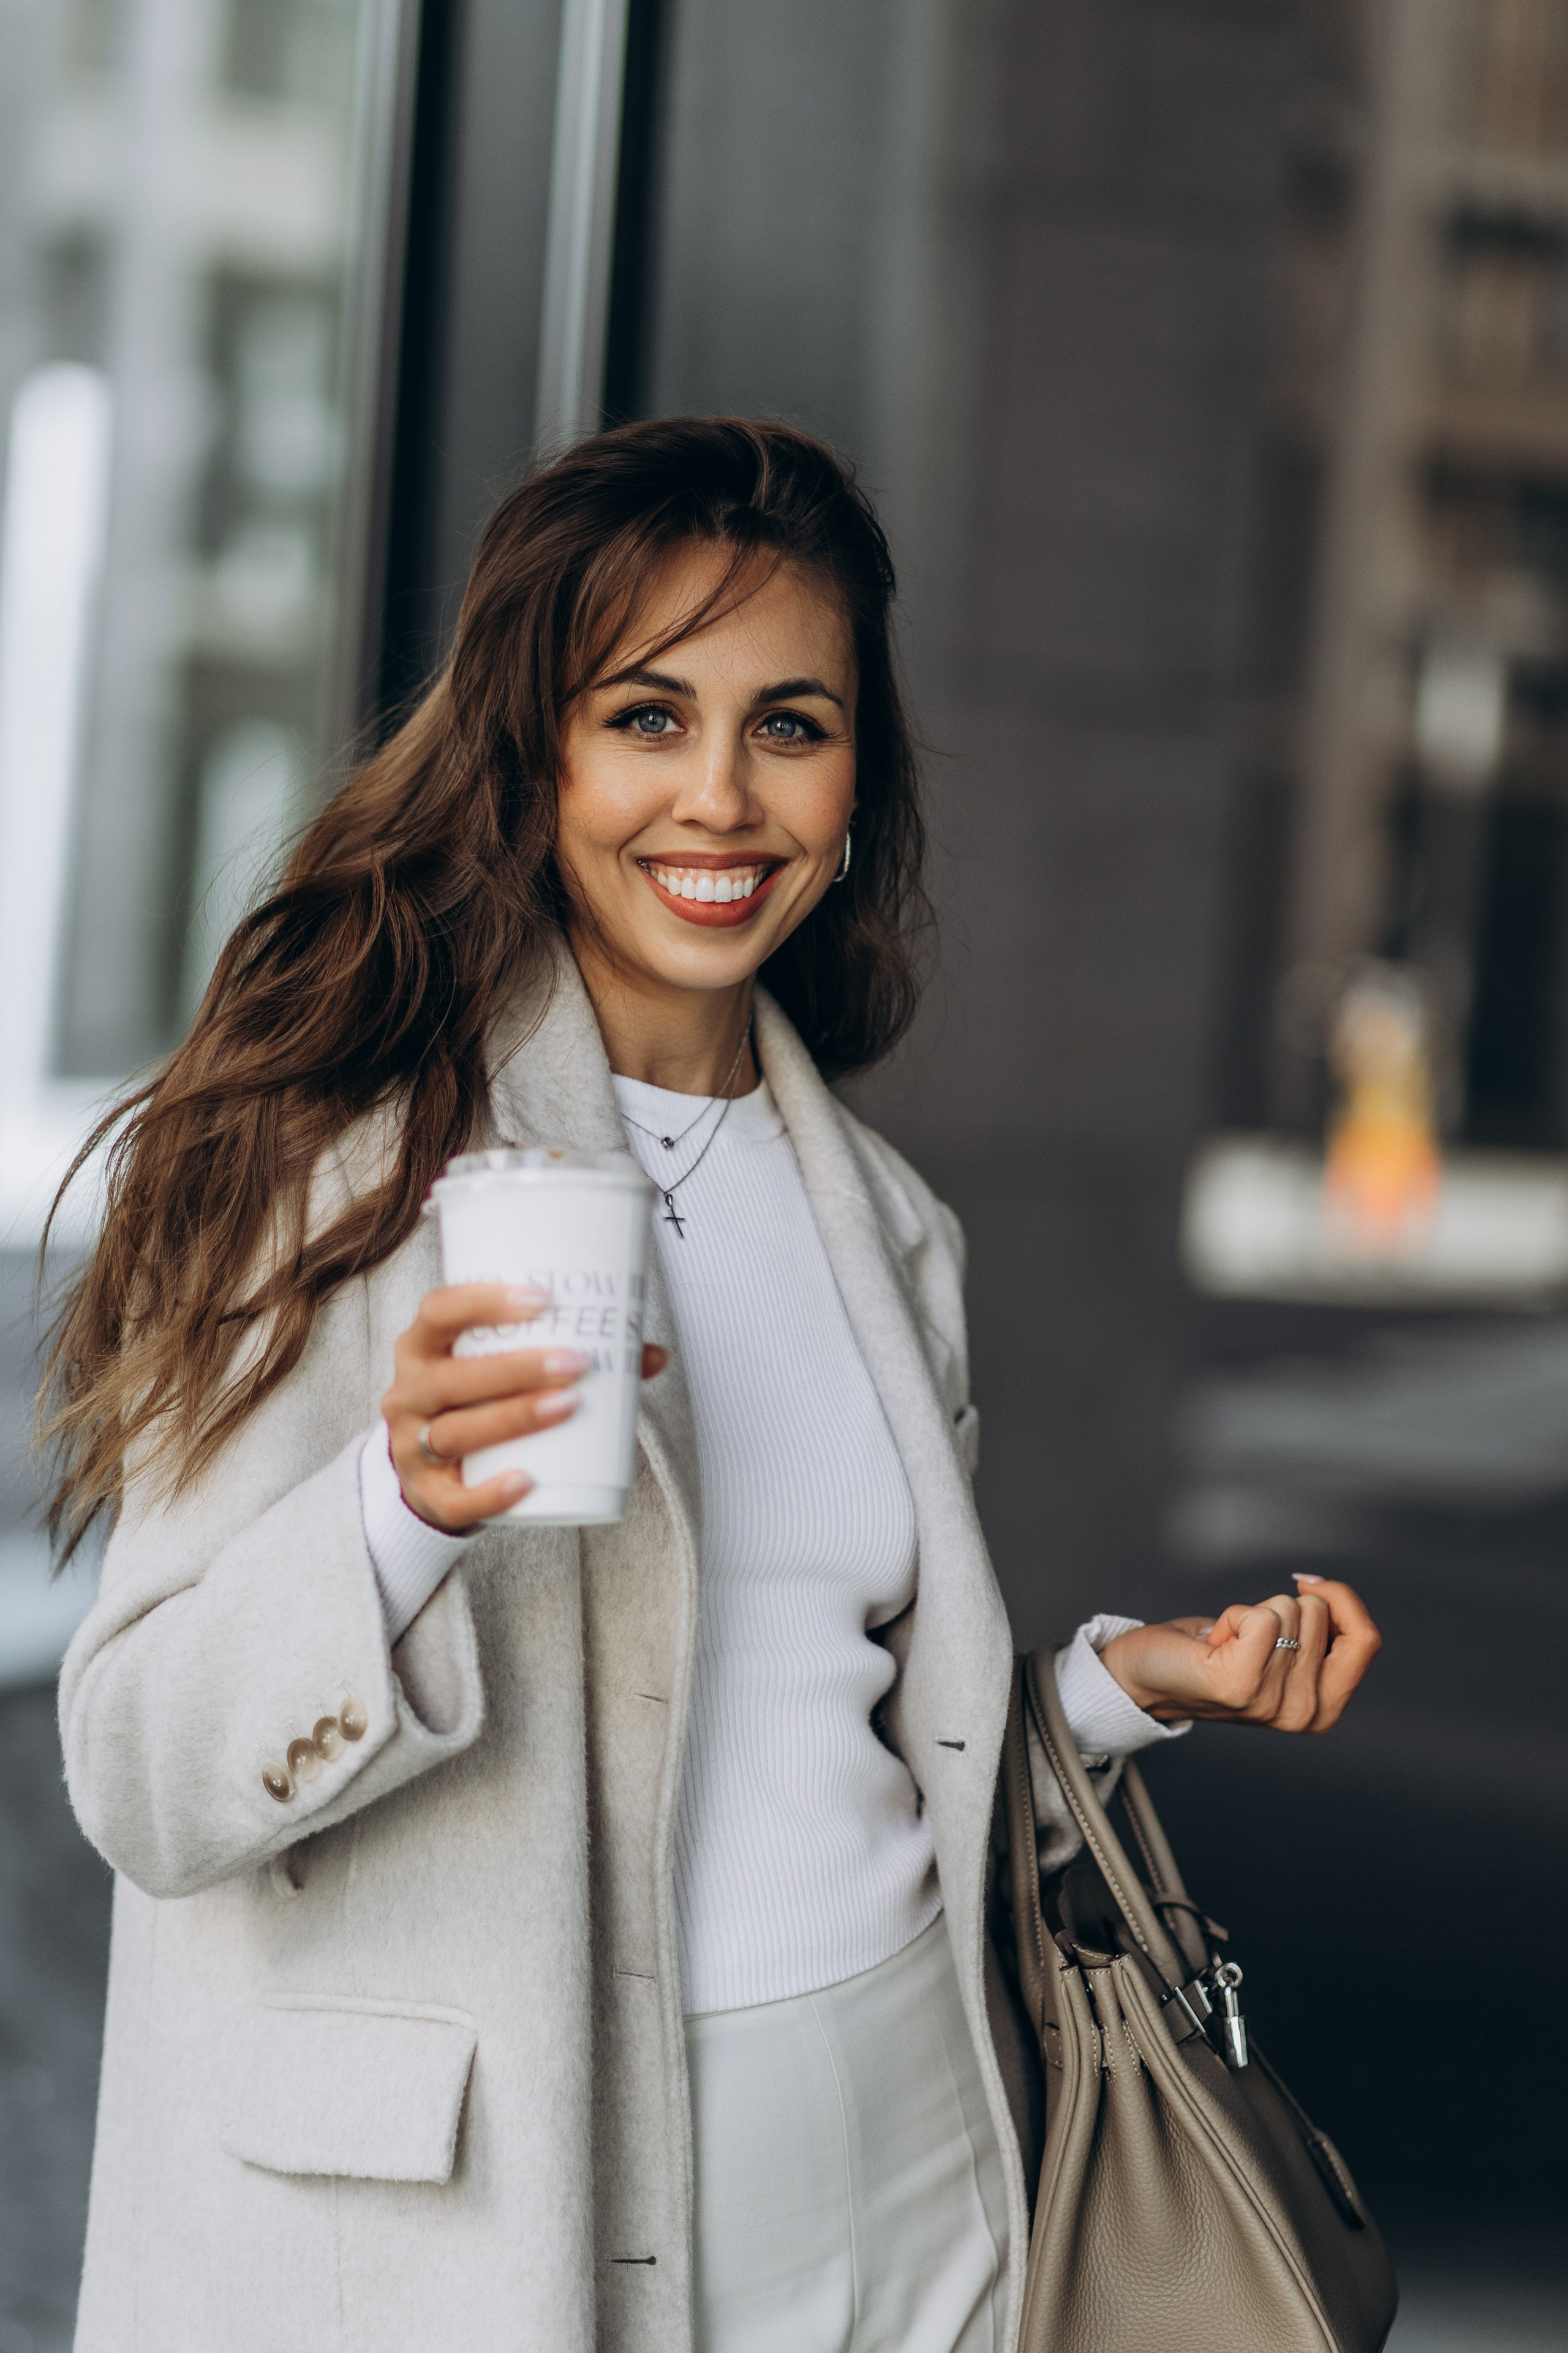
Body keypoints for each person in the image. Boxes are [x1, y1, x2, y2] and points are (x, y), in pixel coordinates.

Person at [44, 418, 1381, 2353]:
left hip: (920, 2154)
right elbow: (141, 1769)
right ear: (540, 751)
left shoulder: (889, 1227)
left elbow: (817, 1725)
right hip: (514, 2212)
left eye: (791, 724)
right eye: (650, 717)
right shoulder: (331, 1167)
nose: (723, 796)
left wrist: (1116, 1686)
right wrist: (398, 1510)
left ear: (858, 774)